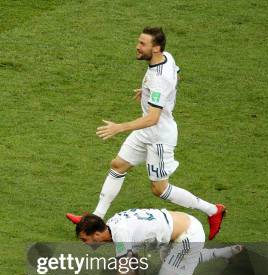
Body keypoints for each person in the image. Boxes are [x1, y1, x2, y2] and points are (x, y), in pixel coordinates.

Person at [66, 27, 225, 240]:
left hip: (158, 136)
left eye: (143, 44)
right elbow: (176, 74)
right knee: (118, 165)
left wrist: (118, 127)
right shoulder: (167, 57)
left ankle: (213, 211)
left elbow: (153, 118)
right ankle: (94, 220)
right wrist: (150, 93)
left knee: (160, 189)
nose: (137, 47)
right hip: (147, 132)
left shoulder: (159, 79)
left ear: (156, 48)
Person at [74, 209, 244, 275]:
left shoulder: (121, 234)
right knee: (171, 261)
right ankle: (227, 252)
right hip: (179, 226)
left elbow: (126, 269)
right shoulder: (112, 226)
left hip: (187, 236)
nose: (84, 243)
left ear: (96, 234)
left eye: (84, 239)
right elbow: (132, 258)